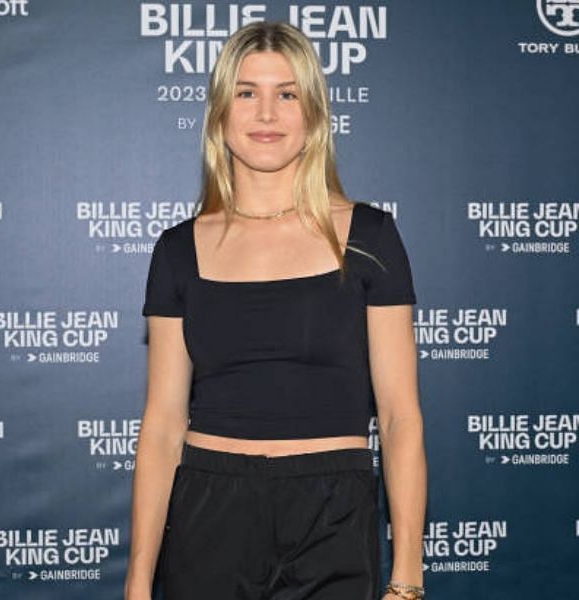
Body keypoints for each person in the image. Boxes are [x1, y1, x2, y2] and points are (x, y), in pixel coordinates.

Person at [126, 22, 426, 600]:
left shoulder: (370, 236)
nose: (266, 113)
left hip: (333, 514)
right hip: (209, 512)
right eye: (246, 92)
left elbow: (399, 419)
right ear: (219, 112)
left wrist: (407, 578)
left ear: (312, 113)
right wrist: (139, 581)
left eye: (287, 93)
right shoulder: (176, 250)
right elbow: (163, 425)